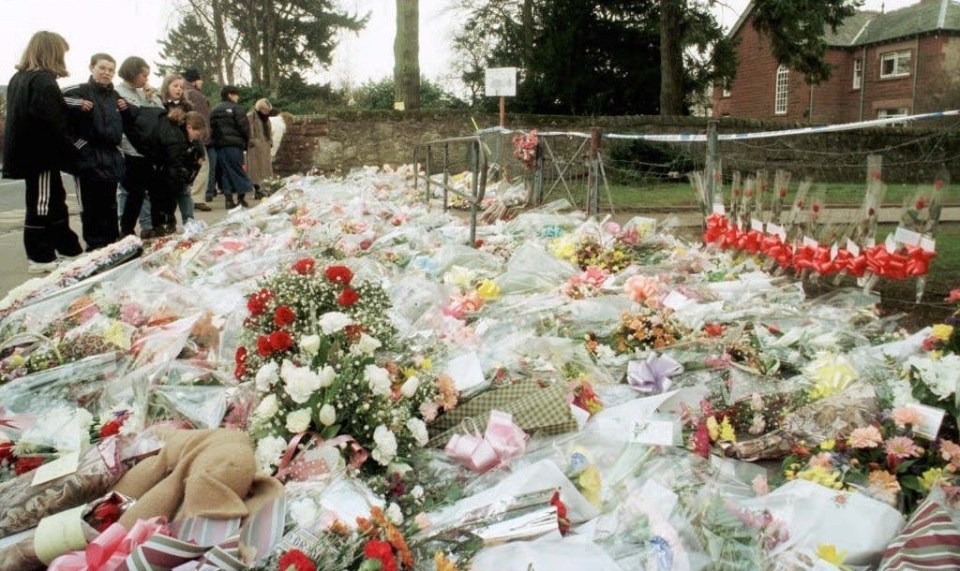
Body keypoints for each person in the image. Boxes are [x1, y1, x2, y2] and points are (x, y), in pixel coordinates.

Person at [1, 31, 84, 273]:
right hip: (41, 157)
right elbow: (54, 124)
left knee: (54, 201)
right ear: (53, 53)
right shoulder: (44, 82)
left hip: (28, 153)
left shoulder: (20, 78)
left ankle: (68, 248)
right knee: (43, 204)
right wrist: (76, 147)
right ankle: (39, 256)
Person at [62, 53, 128, 251]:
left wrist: (127, 108)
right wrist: (79, 145)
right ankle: (95, 245)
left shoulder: (115, 96)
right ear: (91, 68)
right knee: (91, 205)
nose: (107, 73)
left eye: (110, 70)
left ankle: (112, 244)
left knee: (109, 203)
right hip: (87, 156)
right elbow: (53, 102)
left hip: (111, 156)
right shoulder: (78, 91)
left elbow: (131, 118)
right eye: (102, 68)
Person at [115, 56, 162, 239]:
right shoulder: (118, 92)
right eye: (143, 75)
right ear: (132, 73)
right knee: (134, 192)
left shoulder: (143, 92)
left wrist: (151, 97)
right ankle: (126, 229)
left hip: (147, 147)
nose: (146, 80)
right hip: (129, 148)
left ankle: (152, 225)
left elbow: (157, 114)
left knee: (152, 190)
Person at [158, 72, 199, 226]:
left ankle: (189, 221)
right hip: (167, 154)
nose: (179, 89)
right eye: (175, 86)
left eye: (181, 87)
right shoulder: (160, 106)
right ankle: (169, 221)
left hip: (184, 153)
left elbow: (194, 130)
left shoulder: (187, 108)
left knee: (184, 190)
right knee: (168, 192)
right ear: (166, 87)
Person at [209, 85, 253, 208]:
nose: (238, 97)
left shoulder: (215, 109)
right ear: (230, 95)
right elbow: (244, 127)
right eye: (236, 94)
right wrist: (246, 141)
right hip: (234, 144)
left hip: (220, 144)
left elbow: (212, 128)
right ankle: (241, 198)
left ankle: (228, 199)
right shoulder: (237, 108)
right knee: (238, 169)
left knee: (226, 171)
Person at [181, 69, 213, 211]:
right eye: (200, 80)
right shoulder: (196, 94)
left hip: (182, 135)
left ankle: (187, 196)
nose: (201, 83)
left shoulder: (183, 91)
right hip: (194, 135)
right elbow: (202, 117)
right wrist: (205, 136)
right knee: (202, 164)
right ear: (194, 80)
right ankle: (197, 198)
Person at [246, 98, 274, 199]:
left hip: (265, 146)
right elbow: (249, 132)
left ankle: (266, 188)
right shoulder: (252, 116)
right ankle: (258, 189)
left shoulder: (266, 118)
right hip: (255, 147)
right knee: (255, 170)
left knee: (266, 168)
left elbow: (269, 131)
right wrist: (254, 142)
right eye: (265, 109)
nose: (267, 112)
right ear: (260, 108)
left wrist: (270, 142)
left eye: (268, 110)